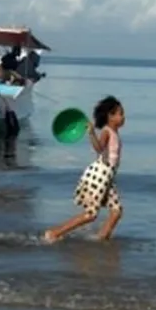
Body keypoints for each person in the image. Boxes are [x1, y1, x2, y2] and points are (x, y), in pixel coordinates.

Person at [44, 96, 125, 243]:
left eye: (122, 113)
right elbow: (99, 148)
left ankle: (102, 239)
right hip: (101, 173)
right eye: (119, 114)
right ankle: (55, 233)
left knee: (116, 212)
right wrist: (91, 133)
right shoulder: (107, 131)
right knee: (91, 214)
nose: (123, 117)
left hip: (109, 176)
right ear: (110, 116)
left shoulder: (114, 132)